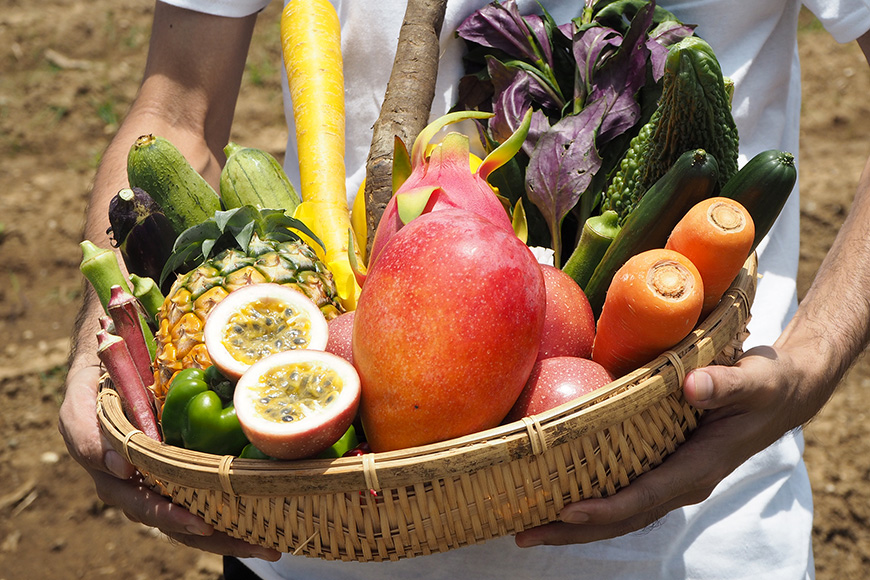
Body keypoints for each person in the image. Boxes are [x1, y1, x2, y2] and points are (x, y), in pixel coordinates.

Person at [58, 0, 870, 578]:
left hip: (690, 539)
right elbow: (178, 109)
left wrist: (809, 365)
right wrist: (106, 350)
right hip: (313, 528)